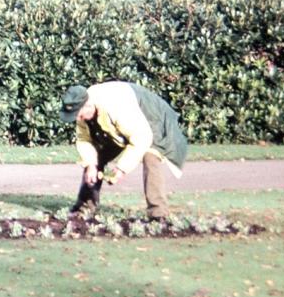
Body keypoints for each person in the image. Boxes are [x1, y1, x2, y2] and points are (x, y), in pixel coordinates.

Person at [58, 81, 187, 219]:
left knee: (151, 157)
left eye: (78, 114)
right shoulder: (83, 107)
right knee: (96, 157)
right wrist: (91, 164)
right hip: (118, 126)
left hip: (151, 118)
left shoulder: (117, 108)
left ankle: (158, 213)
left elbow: (141, 138)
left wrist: (122, 168)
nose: (77, 118)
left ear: (87, 105)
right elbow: (84, 139)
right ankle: (84, 208)